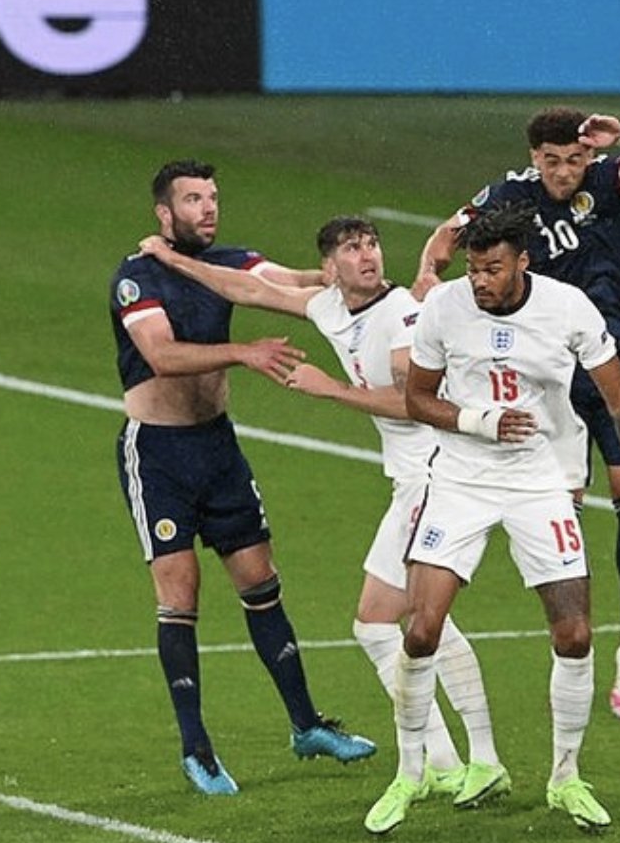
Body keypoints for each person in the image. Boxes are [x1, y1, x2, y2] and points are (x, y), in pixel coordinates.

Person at [135, 215, 504, 808]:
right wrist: (174, 260)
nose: (369, 256)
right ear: (331, 268)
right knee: (389, 622)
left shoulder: (401, 316)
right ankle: (450, 762)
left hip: (441, 476)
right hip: (413, 481)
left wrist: (330, 388)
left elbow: (417, 403)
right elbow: (248, 288)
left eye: (373, 245)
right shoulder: (329, 306)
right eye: (353, 249)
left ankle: (467, 761)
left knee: (396, 622)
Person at [374, 200, 620, 834]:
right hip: (460, 479)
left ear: (523, 263)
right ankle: (409, 772)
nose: (480, 281)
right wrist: (478, 420)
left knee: (575, 635)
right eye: (474, 269)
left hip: (541, 480)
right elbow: (417, 398)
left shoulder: (568, 308)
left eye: (493, 270)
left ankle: (566, 777)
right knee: (421, 630)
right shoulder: (445, 308)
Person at [109, 160, 375, 796]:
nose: (208, 208)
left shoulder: (228, 263)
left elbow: (283, 279)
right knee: (181, 595)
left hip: (218, 449)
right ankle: (197, 749)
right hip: (159, 455)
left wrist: (335, 275)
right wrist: (244, 353)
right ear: (164, 213)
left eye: (212, 197)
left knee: (261, 582)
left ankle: (307, 725)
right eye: (193, 199)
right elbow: (160, 354)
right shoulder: (137, 277)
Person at [412, 107, 620, 721]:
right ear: (534, 158)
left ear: (589, 156)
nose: (562, 172)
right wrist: (427, 273)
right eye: (551, 160)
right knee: (561, 496)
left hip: (618, 354)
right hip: (549, 367)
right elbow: (449, 232)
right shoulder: (510, 196)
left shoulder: (610, 180)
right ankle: (570, 619)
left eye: (574, 159)